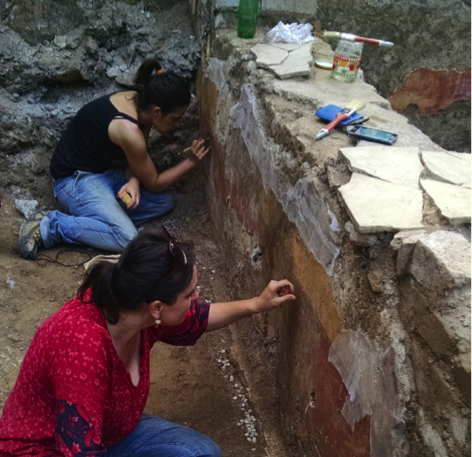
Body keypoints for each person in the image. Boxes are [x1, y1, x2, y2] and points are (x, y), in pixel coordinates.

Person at [0, 227, 296, 456]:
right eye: (189, 293)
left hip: (106, 433)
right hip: (49, 448)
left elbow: (199, 317)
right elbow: (80, 450)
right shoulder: (81, 346)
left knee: (200, 452)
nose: (196, 298)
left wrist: (257, 304)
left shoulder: (135, 309)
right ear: (157, 307)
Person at [18, 59, 210, 260]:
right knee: (127, 238)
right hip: (73, 181)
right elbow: (154, 183)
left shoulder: (141, 103)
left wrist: (134, 181)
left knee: (163, 202)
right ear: (157, 112)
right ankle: (50, 225)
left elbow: (137, 161)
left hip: (103, 173)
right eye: (175, 118)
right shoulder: (129, 129)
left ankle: (103, 222)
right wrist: (192, 162)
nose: (178, 124)